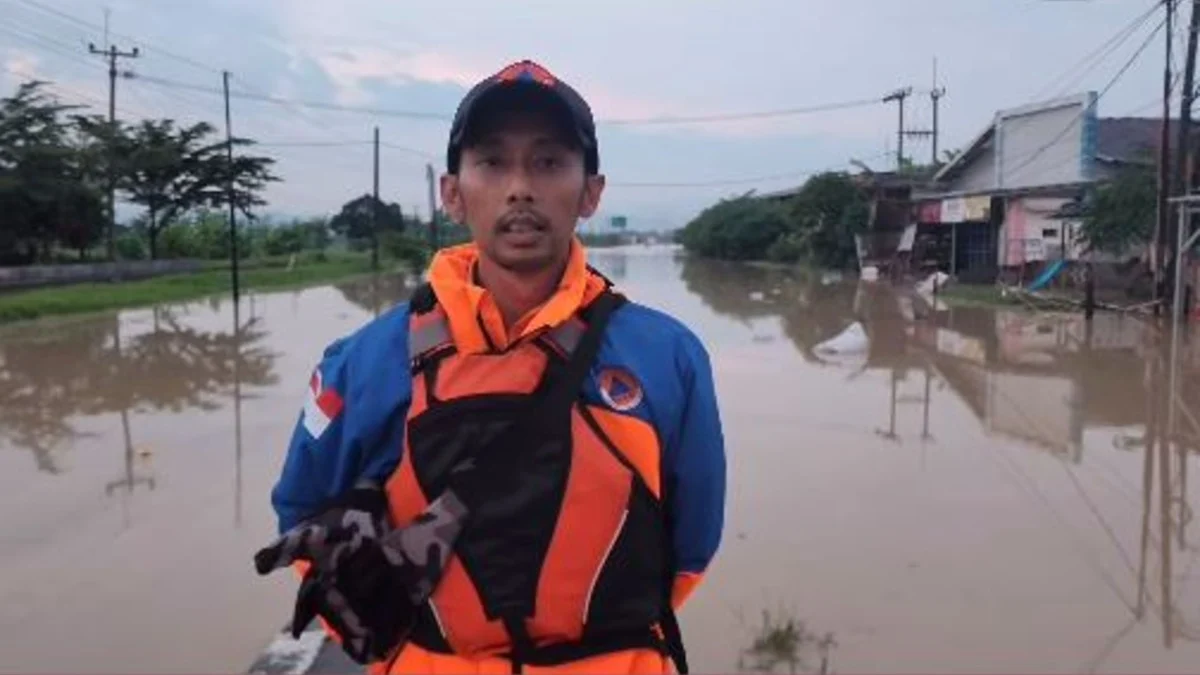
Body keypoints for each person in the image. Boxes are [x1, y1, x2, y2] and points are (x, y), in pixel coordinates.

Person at [261, 59, 726, 675]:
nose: (520, 188)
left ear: (591, 193)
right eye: (492, 162)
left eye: (549, 162)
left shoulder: (667, 357)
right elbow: (302, 518)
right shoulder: (364, 362)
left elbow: (690, 552)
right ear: (453, 193)